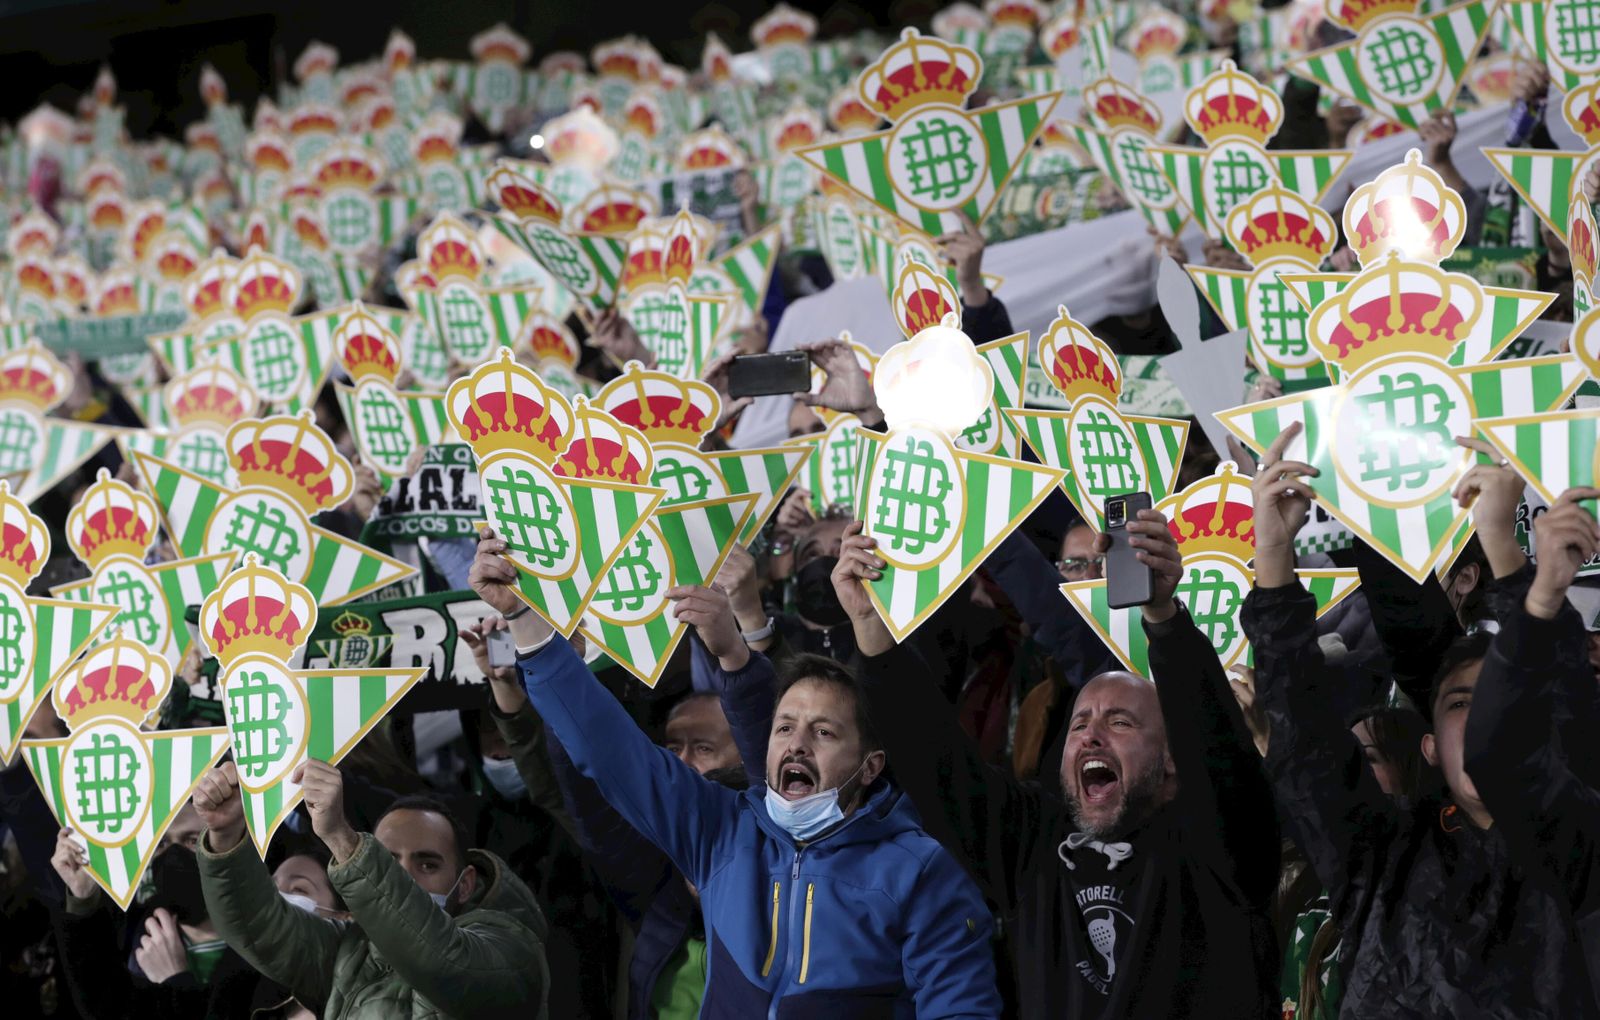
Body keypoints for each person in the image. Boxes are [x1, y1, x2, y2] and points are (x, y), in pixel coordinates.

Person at [469, 527, 1002, 1017]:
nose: (796, 745)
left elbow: (962, 1011)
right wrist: (525, 620)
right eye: (785, 727)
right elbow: (608, 749)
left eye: (823, 732)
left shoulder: (922, 871)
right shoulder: (720, 831)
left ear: (871, 766)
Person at [832, 510, 1280, 1018]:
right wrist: (871, 627)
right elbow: (936, 763)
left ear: (1173, 761)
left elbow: (1221, 763)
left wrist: (1163, 617)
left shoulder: (1219, 851)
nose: (1090, 735)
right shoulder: (1033, 844)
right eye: (1080, 723)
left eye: (1120, 723)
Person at [1244, 424, 1600, 1016]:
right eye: (1462, 702)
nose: (1486, 712)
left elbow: (1523, 739)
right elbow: (1305, 744)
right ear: (1430, 746)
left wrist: (1514, 567)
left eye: (1499, 695)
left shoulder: (1577, 844)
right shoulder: (1379, 852)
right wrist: (1274, 555)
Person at [191, 758, 551, 1019]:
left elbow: (442, 960)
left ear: (466, 883)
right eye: (389, 860)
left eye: (427, 864)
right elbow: (258, 925)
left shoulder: (512, 947)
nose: (405, 876)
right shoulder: (349, 949)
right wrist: (226, 836)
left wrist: (341, 838)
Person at [50, 807, 342, 1019]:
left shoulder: (264, 959)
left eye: (192, 840)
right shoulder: (141, 933)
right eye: (163, 843)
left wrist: (176, 981)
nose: (174, 855)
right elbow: (106, 1007)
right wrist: (83, 898)